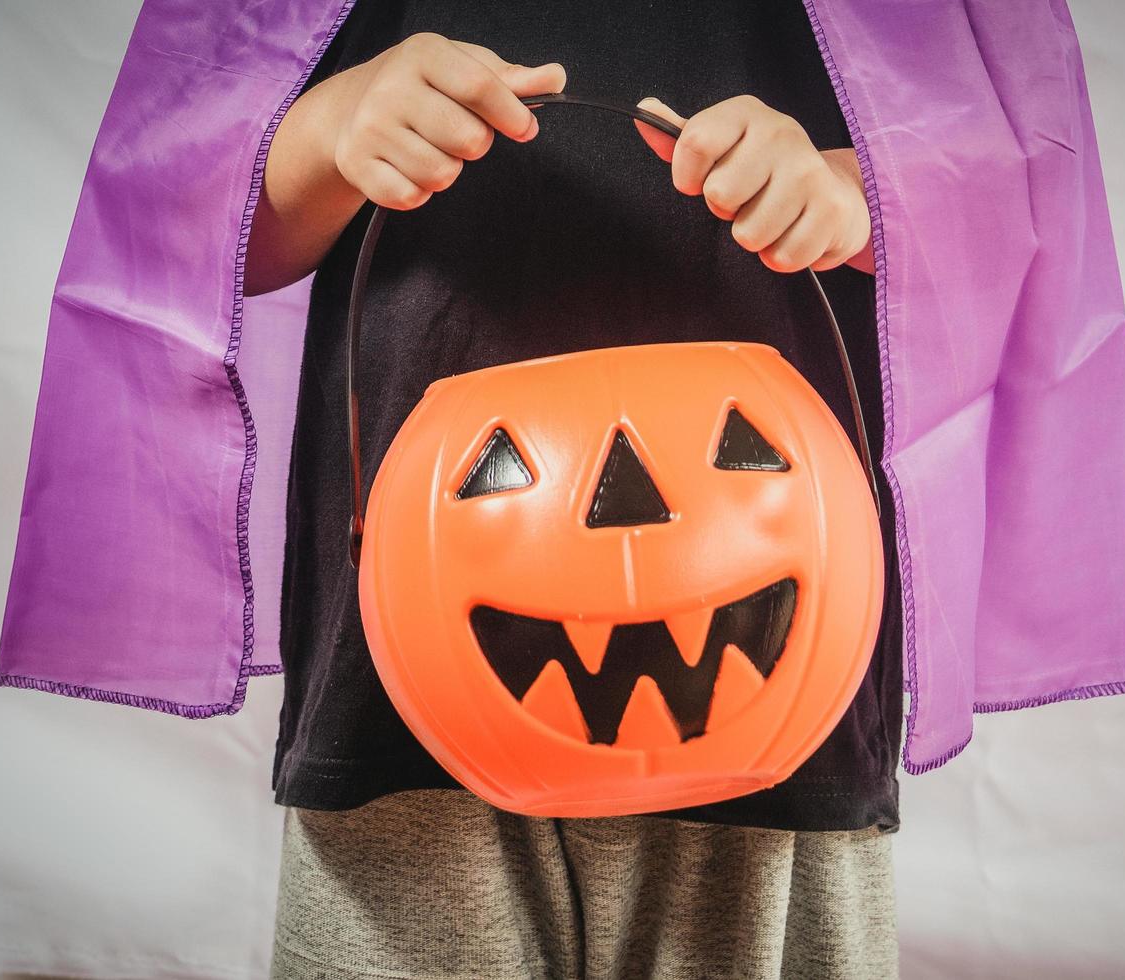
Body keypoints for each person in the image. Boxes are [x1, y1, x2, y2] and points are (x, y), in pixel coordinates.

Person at [246, 2, 904, 977]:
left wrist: (852, 192)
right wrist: (330, 131)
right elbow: (195, 228)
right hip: (417, 664)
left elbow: (1013, 202)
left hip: (769, 654)